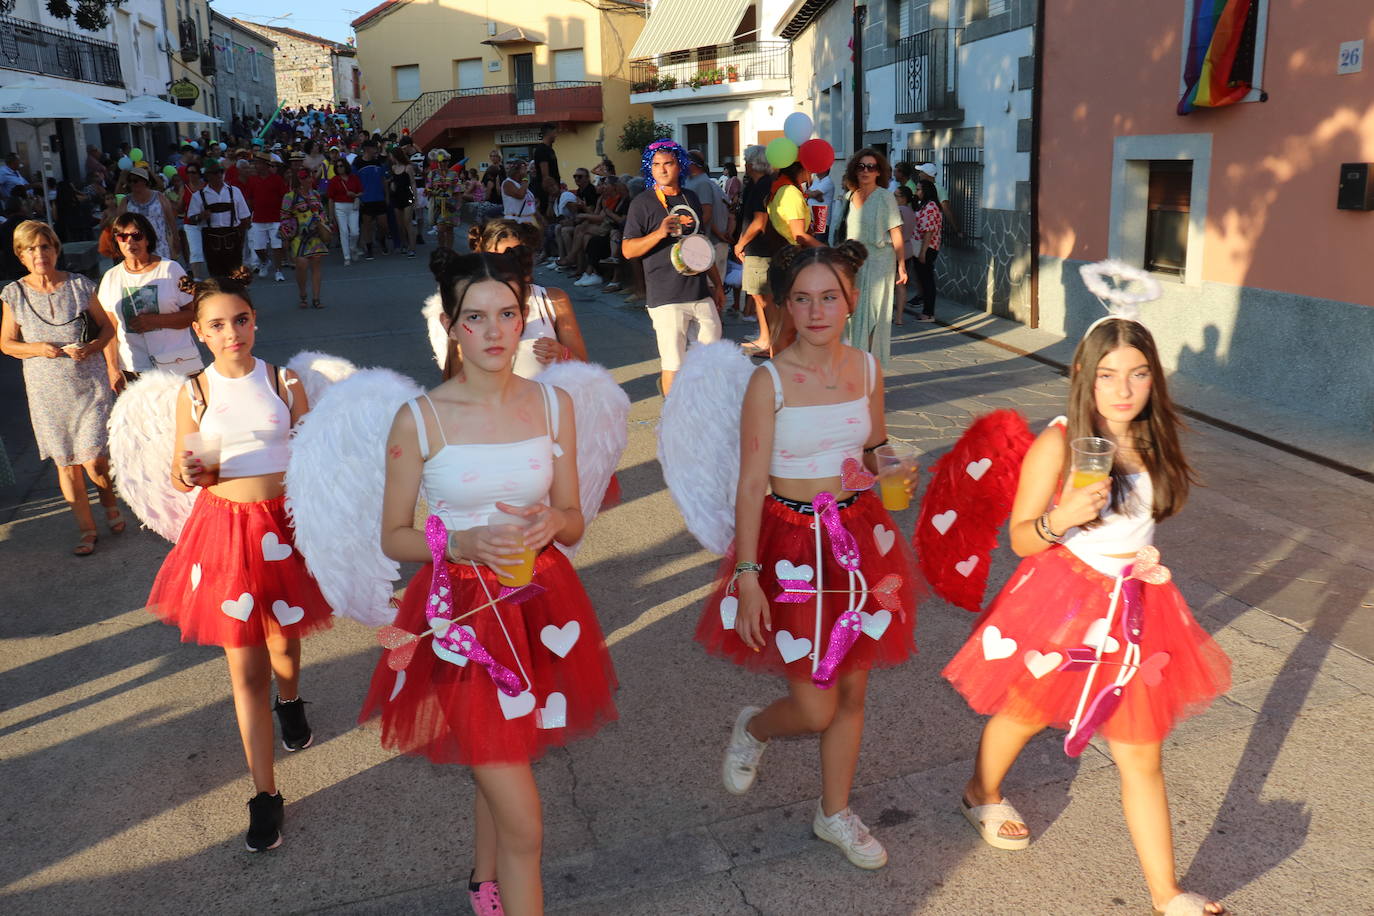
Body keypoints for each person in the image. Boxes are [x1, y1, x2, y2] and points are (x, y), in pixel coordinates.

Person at [941, 316, 1230, 916]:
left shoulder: (1154, 437)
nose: (1124, 389)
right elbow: (1021, 538)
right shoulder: (1060, 442)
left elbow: (1144, 516)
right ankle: (981, 792)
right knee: (1024, 712)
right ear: (1082, 376)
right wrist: (1064, 515)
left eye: (1139, 374)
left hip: (1134, 605)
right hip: (1064, 597)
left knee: (1140, 752)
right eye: (1108, 375)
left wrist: (1138, 554)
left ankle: (1165, 893)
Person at [361, 249, 618, 916]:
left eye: (507, 314)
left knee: (499, 748)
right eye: (476, 318)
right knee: (526, 822)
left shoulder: (555, 404)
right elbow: (393, 535)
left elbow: (573, 521)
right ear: (451, 326)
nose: (496, 331)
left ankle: (483, 882)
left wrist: (551, 522)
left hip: (539, 602)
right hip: (461, 618)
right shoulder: (418, 419)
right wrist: (460, 542)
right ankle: (497, 880)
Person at [695, 242, 918, 871]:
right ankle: (755, 729)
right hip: (790, 548)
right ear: (785, 304)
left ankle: (834, 812)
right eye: (803, 298)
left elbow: (873, 445)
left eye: (829, 297)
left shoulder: (868, 369)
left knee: (851, 692)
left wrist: (891, 465)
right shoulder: (767, 380)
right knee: (816, 703)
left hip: (860, 540)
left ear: (850, 302)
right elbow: (748, 483)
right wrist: (746, 575)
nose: (816, 311)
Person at [144, 270, 333, 853]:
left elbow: (311, 448)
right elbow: (184, 467)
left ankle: (292, 699)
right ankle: (265, 794)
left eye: (242, 320)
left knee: (283, 643)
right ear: (199, 333)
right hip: (223, 533)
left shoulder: (285, 378)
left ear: (256, 321)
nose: (233, 333)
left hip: (281, 528)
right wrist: (186, 471)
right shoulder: (194, 392)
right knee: (243, 667)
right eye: (219, 325)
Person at [0, 220, 120, 555]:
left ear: (56, 249)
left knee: (95, 459)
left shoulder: (80, 286)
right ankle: (87, 530)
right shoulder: (14, 294)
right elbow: (7, 344)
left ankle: (110, 503)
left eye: (46, 246)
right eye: (32, 249)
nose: (40, 254)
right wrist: (38, 348)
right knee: (66, 462)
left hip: (88, 384)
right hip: (46, 391)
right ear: (21, 255)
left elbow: (107, 328)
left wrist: (93, 348)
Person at [622, 140, 725, 397]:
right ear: (650, 169)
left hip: (700, 290)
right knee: (674, 364)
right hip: (666, 295)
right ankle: (674, 419)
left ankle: (704, 410)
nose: (662, 170)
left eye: (668, 163)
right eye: (655, 165)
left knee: (711, 361)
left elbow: (700, 244)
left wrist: (717, 285)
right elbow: (627, 250)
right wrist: (659, 233)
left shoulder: (690, 197)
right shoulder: (642, 203)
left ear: (680, 165)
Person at [464, 219, 589, 380]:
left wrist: (562, 353)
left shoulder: (552, 300)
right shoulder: (467, 305)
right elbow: (455, 378)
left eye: (516, 255)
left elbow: (585, 368)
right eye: (497, 257)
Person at [97, 211, 202, 384]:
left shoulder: (172, 269)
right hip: (133, 368)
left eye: (136, 236)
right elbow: (109, 329)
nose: (130, 242)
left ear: (147, 239)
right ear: (116, 240)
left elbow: (194, 315)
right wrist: (112, 368)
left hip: (177, 363)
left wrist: (155, 321)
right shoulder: (111, 277)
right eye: (123, 236)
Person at [831, 149, 906, 366]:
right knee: (851, 316)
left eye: (871, 167)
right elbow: (839, 231)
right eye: (861, 166)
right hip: (852, 265)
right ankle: (852, 363)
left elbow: (896, 232)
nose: (865, 171)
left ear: (878, 172)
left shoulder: (885, 197)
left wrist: (901, 264)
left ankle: (867, 366)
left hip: (879, 263)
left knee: (873, 316)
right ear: (854, 169)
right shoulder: (848, 197)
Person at [733, 145, 782, 354]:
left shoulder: (763, 185)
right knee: (757, 295)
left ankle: (771, 342)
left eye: (746, 160)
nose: (744, 164)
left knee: (764, 297)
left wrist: (741, 243)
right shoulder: (757, 185)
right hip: (757, 249)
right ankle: (765, 338)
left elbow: (759, 221)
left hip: (761, 249)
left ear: (753, 163)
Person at [186, 160, 250, 279]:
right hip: (211, 238)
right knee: (216, 274)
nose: (219, 175)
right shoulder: (198, 196)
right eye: (215, 172)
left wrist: (240, 237)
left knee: (235, 273)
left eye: (221, 171)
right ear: (208, 176)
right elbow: (191, 219)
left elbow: (245, 217)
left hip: (232, 235)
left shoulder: (234, 192)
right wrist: (200, 216)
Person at [281, 168, 332, 310]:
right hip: (298, 236)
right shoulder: (289, 197)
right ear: (300, 180)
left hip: (315, 235)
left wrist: (323, 223)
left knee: (316, 263)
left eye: (311, 177)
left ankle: (316, 298)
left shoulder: (315, 194)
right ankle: (303, 294)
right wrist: (286, 237)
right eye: (307, 178)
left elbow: (322, 212)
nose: (310, 180)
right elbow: (284, 217)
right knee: (302, 265)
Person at [685, 149, 731, 289]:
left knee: (711, 286)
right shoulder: (695, 181)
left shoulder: (702, 183)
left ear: (691, 164)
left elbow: (707, 214)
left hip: (712, 242)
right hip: (708, 241)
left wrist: (689, 233)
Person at [117, 167, 181, 262]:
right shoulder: (126, 201)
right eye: (130, 181)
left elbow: (170, 219)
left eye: (135, 181)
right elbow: (120, 225)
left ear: (144, 181)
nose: (132, 184)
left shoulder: (159, 197)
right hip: (136, 247)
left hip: (160, 246)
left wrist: (176, 238)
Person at [243, 155, 288, 281]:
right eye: (255, 163)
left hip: (275, 218)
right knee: (258, 247)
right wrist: (248, 214)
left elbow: (284, 197)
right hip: (258, 218)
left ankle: (278, 271)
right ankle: (265, 261)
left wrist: (284, 215)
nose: (256, 166)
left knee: (276, 246)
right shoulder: (252, 180)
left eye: (258, 163)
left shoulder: (277, 179)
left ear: (265, 165)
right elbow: (249, 198)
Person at [911, 178, 943, 322]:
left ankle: (929, 312)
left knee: (927, 280)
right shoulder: (923, 205)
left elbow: (929, 232)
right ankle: (926, 310)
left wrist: (923, 252)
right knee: (923, 279)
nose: (916, 191)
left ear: (926, 191)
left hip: (927, 248)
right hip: (921, 247)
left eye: (918, 189)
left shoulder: (931, 206)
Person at [355, 140, 390, 259]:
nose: (376, 149)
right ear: (367, 149)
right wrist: (358, 198)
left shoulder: (378, 162)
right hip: (365, 199)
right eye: (374, 147)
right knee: (367, 225)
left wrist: (387, 196)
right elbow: (355, 182)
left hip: (379, 198)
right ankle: (369, 249)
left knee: (383, 225)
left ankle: (382, 240)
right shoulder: (357, 163)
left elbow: (383, 180)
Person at [327, 159, 363, 264]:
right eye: (337, 166)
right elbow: (330, 198)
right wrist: (330, 215)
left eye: (341, 166)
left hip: (353, 206)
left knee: (355, 232)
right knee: (344, 232)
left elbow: (361, 192)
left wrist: (355, 195)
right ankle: (347, 257)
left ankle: (352, 248)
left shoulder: (354, 178)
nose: (339, 168)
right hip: (339, 207)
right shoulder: (334, 180)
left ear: (346, 166)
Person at [894, 186, 917, 328]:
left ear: (903, 198)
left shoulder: (898, 211)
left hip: (897, 249)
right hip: (908, 248)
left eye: (896, 195)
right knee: (902, 286)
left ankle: (893, 315)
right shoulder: (911, 212)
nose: (893, 198)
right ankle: (899, 317)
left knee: (893, 285)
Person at [388, 148, 418, 258]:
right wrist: (391, 185)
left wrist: (415, 198)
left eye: (391, 155)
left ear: (396, 156)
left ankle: (412, 248)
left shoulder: (408, 167)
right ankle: (404, 244)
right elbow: (393, 180)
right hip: (396, 197)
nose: (390, 158)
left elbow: (413, 183)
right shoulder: (393, 167)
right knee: (400, 224)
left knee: (407, 222)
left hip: (407, 197)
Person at [425, 154, 456, 251]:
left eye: (444, 161)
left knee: (450, 229)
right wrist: (435, 192)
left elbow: (458, 190)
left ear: (448, 162)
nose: (442, 163)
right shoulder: (432, 174)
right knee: (440, 229)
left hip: (450, 205)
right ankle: (442, 250)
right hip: (438, 206)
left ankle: (449, 251)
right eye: (439, 161)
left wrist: (458, 205)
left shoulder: (453, 174)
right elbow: (427, 190)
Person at [530, 124, 560, 213]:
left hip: (552, 190)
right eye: (555, 133)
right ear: (549, 133)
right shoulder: (541, 150)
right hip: (546, 192)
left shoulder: (550, 150)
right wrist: (553, 192)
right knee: (547, 217)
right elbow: (545, 175)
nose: (556, 135)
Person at [806, 165, 836, 245]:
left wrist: (813, 195)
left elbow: (815, 193)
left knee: (819, 242)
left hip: (821, 215)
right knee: (813, 240)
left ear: (825, 170)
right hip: (813, 215)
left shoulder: (828, 181)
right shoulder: (816, 181)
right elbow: (807, 192)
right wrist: (814, 195)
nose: (817, 170)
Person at [501, 159, 536, 225]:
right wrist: (525, 178)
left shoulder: (522, 185)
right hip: (515, 221)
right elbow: (520, 195)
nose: (526, 172)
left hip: (528, 221)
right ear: (517, 171)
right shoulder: (507, 183)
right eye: (524, 169)